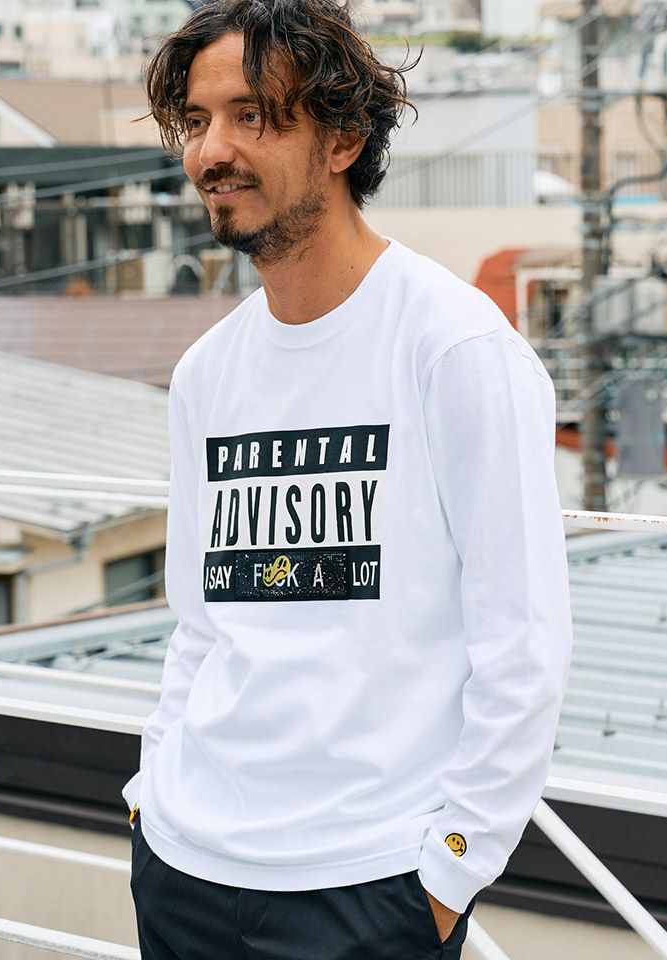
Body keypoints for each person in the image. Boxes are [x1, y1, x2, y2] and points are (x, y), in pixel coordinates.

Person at [123, 1, 573, 957]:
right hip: (185, 865)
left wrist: (450, 872)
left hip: (367, 886)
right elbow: (200, 623)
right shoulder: (208, 372)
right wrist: (149, 794)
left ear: (342, 139)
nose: (212, 151)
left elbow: (522, 641)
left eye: (252, 116)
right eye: (198, 121)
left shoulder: (454, 348)